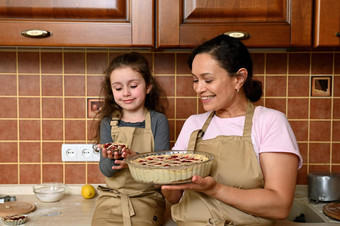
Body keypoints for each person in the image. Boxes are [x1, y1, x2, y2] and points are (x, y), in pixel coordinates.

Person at [161, 35, 302, 226]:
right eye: (195, 80)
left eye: (208, 80)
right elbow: (175, 198)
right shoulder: (194, 124)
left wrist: (215, 189)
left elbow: (280, 205)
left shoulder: (269, 122)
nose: (198, 89)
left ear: (239, 78)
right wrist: (163, 180)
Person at [91, 52, 170, 226]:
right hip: (112, 197)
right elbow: (105, 170)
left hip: (148, 198)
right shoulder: (107, 122)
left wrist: (135, 159)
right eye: (118, 88)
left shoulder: (158, 121)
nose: (126, 93)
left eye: (133, 85)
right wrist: (113, 158)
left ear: (148, 86)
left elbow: (163, 169)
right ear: (112, 91)